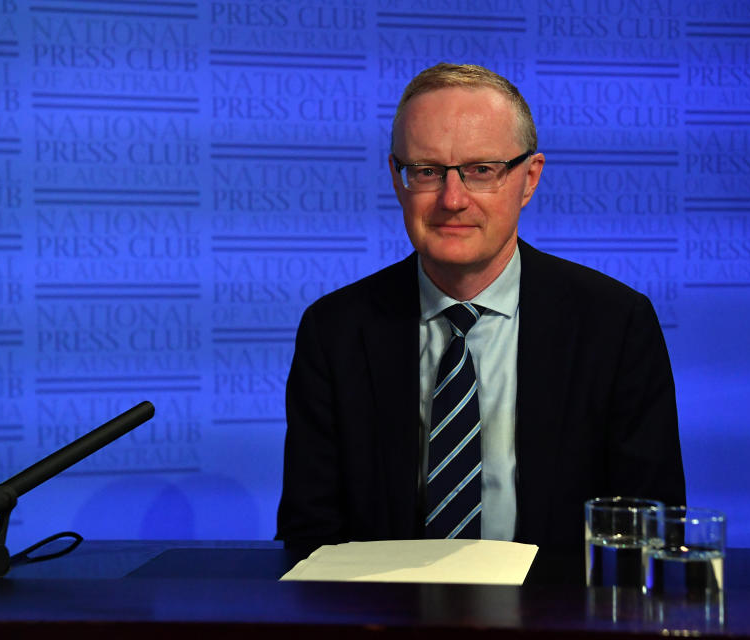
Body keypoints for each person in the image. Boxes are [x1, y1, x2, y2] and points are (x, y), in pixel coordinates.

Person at [277, 63, 684, 552]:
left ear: (529, 178)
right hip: (384, 620)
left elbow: (648, 531)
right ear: (396, 179)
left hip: (558, 621)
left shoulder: (615, 326)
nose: (452, 199)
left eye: (481, 171)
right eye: (427, 171)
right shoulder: (335, 330)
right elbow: (310, 538)